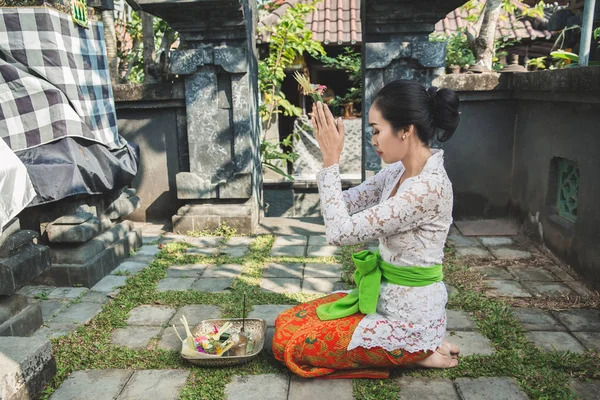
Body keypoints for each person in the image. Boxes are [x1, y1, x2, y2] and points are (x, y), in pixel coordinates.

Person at [272, 80, 461, 379]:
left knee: (291, 343)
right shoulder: (399, 170)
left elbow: (339, 233)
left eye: (376, 130)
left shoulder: (427, 189)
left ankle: (416, 351)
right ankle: (418, 348)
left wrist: (331, 159)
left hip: (409, 321)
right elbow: (343, 203)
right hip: (383, 301)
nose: (372, 140)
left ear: (405, 130)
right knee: (288, 321)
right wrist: (329, 164)